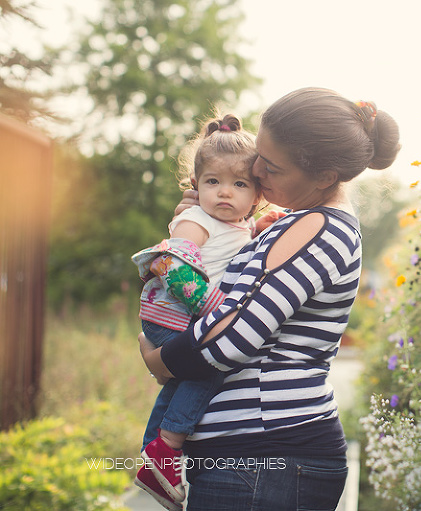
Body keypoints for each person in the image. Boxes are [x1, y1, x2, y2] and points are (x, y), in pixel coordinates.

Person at [138, 87, 400, 511]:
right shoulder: (296, 222)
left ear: (325, 177)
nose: (256, 170)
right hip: (253, 459)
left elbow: (233, 336)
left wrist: (160, 363)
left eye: (271, 165)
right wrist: (200, 224)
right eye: (258, 154)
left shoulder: (320, 229)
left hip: (266, 457)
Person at [130, 113, 274, 510]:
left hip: (181, 319)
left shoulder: (237, 226)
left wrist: (259, 229)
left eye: (238, 184)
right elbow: (175, 267)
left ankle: (152, 453)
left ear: (256, 195)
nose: (225, 193)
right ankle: (168, 447)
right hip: (169, 317)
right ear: (196, 186)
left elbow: (233, 255)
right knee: (210, 366)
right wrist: (214, 309)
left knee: (180, 383)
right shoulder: (194, 221)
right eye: (213, 182)